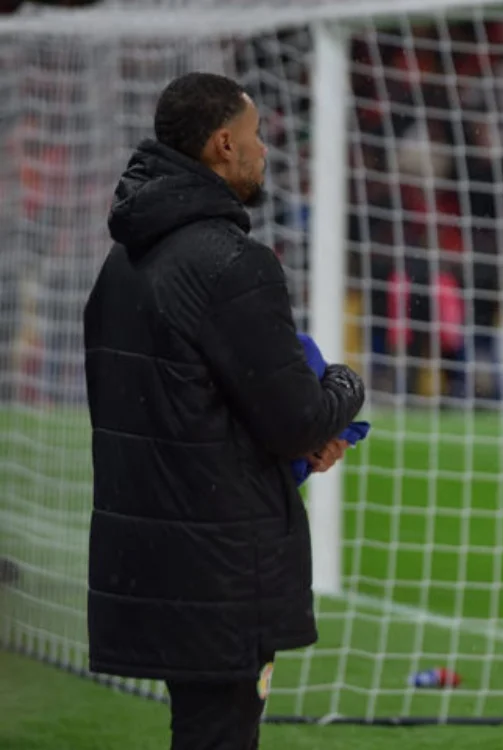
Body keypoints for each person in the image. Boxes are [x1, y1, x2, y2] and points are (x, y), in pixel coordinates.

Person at [83, 72, 366, 749]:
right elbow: (296, 418)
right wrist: (345, 390)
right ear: (221, 146)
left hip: (147, 548)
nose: (264, 149)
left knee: (203, 727)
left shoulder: (122, 261)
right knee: (222, 732)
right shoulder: (232, 263)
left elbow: (177, 401)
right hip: (219, 560)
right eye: (255, 135)